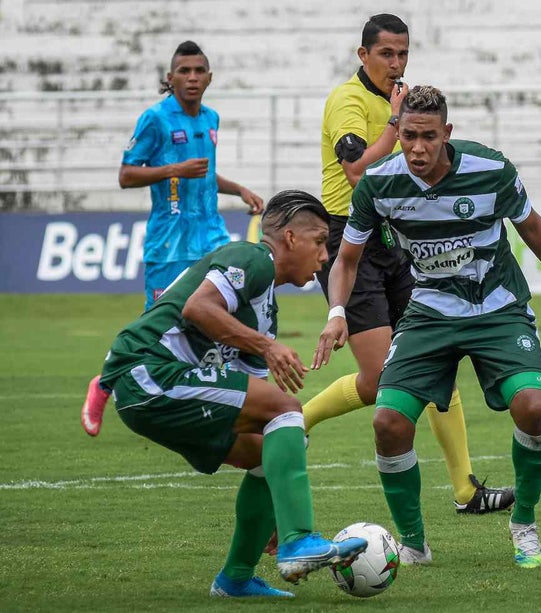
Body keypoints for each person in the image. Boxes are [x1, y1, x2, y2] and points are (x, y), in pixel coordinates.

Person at [313, 85, 541, 568]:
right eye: (408, 136)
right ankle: (413, 544)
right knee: (388, 422)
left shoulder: (491, 169)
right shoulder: (378, 183)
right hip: (429, 311)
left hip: (497, 308)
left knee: (534, 406)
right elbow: (347, 259)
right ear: (399, 132)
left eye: (428, 137)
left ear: (447, 134)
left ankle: (524, 523)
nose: (417, 148)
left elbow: (532, 226)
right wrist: (337, 313)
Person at [98, 190, 368, 597]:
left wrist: (275, 504)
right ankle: (299, 540)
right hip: (147, 371)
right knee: (287, 409)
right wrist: (267, 347)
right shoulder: (252, 257)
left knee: (272, 446)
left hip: (160, 387)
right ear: (290, 238)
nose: (324, 256)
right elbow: (198, 308)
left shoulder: (266, 308)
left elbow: (258, 406)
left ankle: (236, 578)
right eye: (318, 242)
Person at [306, 13, 513, 515]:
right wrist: (394, 123)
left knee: (438, 360)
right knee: (381, 380)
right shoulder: (349, 101)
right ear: (363, 55)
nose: (396, 63)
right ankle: (297, 419)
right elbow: (358, 174)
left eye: (403, 53)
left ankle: (466, 490)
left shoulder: (402, 103)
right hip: (349, 241)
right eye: (386, 54)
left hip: (397, 239)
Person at [81, 40, 264, 437]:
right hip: (170, 242)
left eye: (199, 71)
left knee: (229, 307)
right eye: (184, 71)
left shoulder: (211, 118)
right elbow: (126, 175)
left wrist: (239, 189)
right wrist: (173, 170)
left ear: (209, 78)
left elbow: (205, 172)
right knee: (156, 325)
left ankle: (223, 391)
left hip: (211, 235)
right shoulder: (156, 119)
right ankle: (104, 384)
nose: (192, 78)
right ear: (170, 78)